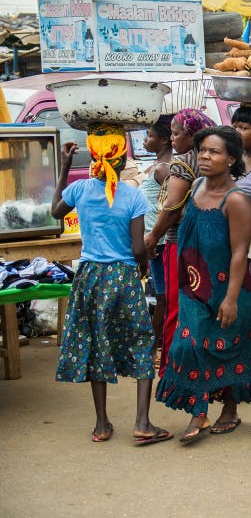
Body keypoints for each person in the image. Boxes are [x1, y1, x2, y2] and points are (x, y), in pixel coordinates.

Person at [51, 129, 171, 446]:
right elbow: (136, 247)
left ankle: (102, 424)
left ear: (94, 159)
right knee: (141, 341)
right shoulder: (133, 196)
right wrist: (143, 265)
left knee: (97, 342)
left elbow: (55, 213)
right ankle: (143, 421)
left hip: (89, 277)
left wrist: (64, 168)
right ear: (122, 162)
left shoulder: (80, 189)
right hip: (124, 276)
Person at [156, 126, 251, 443]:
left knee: (230, 347)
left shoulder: (237, 200)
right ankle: (200, 414)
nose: (204, 156)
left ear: (231, 159)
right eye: (202, 150)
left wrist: (230, 299)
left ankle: (228, 409)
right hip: (194, 286)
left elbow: (241, 251)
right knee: (188, 346)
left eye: (214, 151)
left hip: (231, 288)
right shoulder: (198, 186)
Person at [144, 108, 216, 377]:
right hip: (207, 244)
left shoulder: (183, 162)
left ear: (192, 134)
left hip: (178, 243)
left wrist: (153, 236)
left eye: (176, 134)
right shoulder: (215, 159)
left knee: (176, 306)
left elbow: (172, 206)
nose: (173, 139)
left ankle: (174, 372)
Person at [138, 115, 172, 363]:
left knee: (162, 296)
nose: (145, 139)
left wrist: (154, 236)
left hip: (157, 241)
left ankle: (154, 349)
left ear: (164, 139)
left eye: (149, 135)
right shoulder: (157, 166)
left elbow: (169, 206)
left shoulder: (163, 168)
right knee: (160, 295)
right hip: (153, 239)